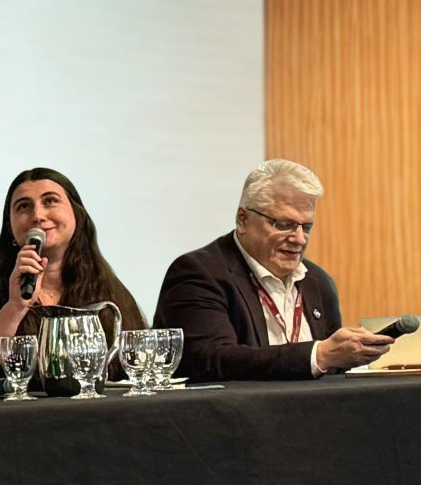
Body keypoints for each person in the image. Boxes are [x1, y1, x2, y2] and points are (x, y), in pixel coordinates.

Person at [155, 159, 390, 380]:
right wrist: (318, 354)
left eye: (306, 227)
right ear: (243, 219)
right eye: (284, 225)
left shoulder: (317, 281)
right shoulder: (199, 273)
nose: (298, 239)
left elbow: (331, 372)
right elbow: (210, 360)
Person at [0, 166, 147, 389]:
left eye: (50, 201)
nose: (38, 216)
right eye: (23, 207)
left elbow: (139, 374)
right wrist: (14, 308)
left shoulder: (107, 289)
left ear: (77, 214)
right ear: (10, 228)